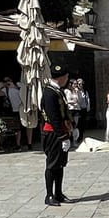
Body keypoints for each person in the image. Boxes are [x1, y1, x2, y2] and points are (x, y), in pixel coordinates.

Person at [41, 63, 75, 206]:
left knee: (60, 165)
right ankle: (49, 195)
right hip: (53, 133)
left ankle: (59, 193)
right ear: (61, 78)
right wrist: (62, 137)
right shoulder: (49, 93)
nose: (67, 79)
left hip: (61, 131)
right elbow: (53, 117)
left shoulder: (57, 91)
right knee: (52, 164)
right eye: (66, 77)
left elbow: (63, 113)